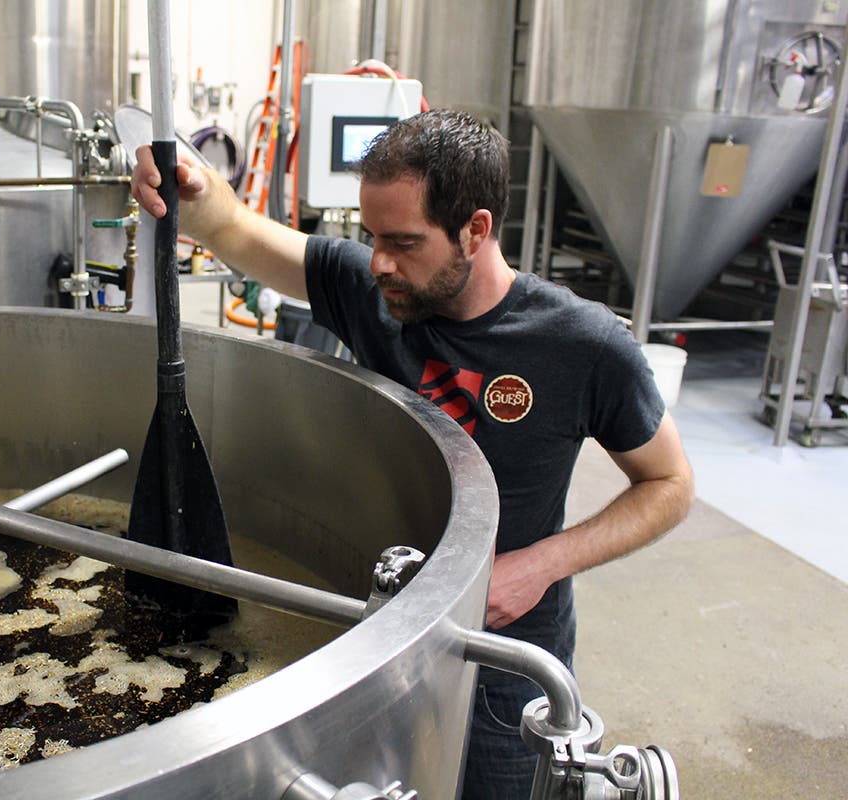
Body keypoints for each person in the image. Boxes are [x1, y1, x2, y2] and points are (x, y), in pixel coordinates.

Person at [131, 108, 694, 799]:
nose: (378, 263)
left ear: (476, 230)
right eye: (370, 237)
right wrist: (188, 182)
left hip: (499, 657)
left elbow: (669, 484)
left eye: (402, 241)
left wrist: (541, 565)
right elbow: (231, 228)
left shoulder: (582, 345)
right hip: (377, 635)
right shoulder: (376, 294)